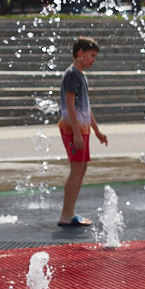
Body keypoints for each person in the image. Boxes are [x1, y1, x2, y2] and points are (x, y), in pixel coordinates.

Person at [58, 37, 108, 227]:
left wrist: (96, 130)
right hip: (73, 129)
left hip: (81, 129)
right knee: (76, 169)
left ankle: (70, 212)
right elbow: (70, 105)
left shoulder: (80, 75)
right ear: (80, 54)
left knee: (82, 169)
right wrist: (77, 133)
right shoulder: (71, 74)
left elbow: (86, 108)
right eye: (91, 55)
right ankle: (66, 214)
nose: (93, 60)